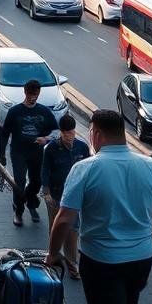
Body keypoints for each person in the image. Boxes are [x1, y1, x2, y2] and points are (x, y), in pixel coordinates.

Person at [47, 109, 152, 304]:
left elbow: (64, 220)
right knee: (130, 303)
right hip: (142, 259)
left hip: (101, 260)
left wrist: (53, 254)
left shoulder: (84, 169)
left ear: (96, 134)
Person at [0, 79, 57, 227]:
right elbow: (4, 134)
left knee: (36, 181)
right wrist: (2, 155)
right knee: (19, 181)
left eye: (35, 95)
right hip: (18, 152)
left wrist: (47, 139)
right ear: (25, 92)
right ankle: (18, 210)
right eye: (30, 94)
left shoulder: (44, 111)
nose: (32, 98)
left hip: (36, 153)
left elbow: (56, 131)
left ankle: (31, 201)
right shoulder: (15, 111)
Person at [40, 113, 91, 279]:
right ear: (60, 132)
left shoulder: (82, 148)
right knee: (55, 226)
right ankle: (54, 254)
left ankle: (71, 264)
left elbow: (89, 170)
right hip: (55, 195)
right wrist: (46, 193)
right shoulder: (51, 149)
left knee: (73, 229)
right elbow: (45, 171)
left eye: (72, 133)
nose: (69, 136)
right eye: (65, 133)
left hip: (75, 198)